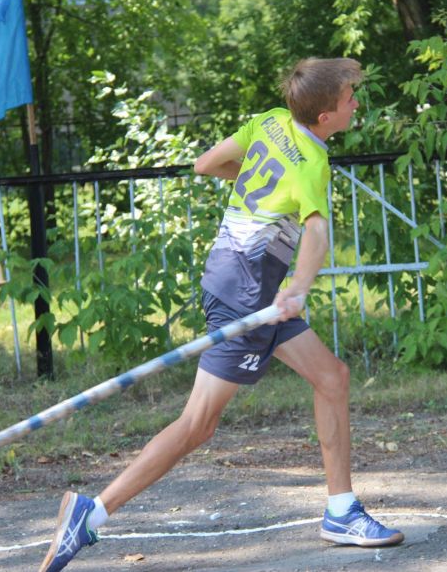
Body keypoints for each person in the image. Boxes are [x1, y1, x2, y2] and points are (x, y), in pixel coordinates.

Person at [39, 57, 404, 572]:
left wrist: (265, 199)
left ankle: (341, 511)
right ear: (325, 117)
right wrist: (299, 287)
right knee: (198, 424)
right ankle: (91, 514)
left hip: (235, 274)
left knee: (332, 377)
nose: (356, 104)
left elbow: (206, 163)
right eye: (349, 98)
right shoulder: (312, 162)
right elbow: (317, 233)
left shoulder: (270, 122)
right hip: (251, 291)